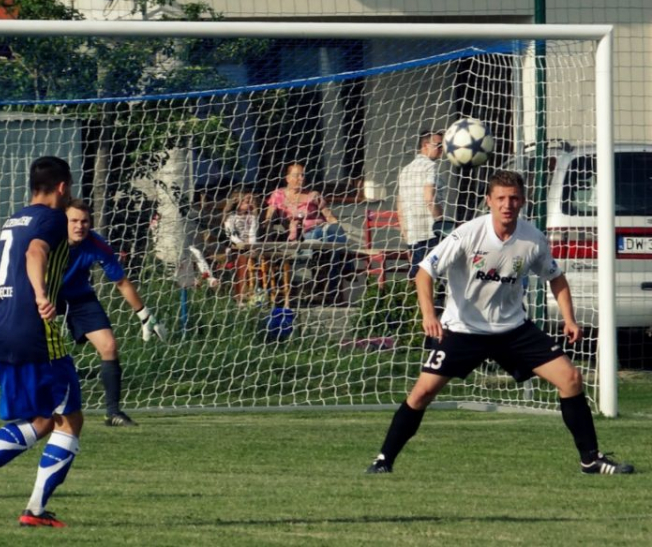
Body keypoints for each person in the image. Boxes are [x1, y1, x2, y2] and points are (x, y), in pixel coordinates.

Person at [366, 170, 633, 476]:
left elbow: (556, 277)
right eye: (501, 198)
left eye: (514, 198)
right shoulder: (467, 234)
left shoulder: (533, 239)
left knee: (571, 378)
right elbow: (424, 271)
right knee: (422, 393)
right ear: (489, 201)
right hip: (463, 330)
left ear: (523, 201)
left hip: (512, 330)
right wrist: (429, 315)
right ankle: (383, 460)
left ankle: (591, 459)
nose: (508, 204)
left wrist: (569, 319)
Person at [0, 156, 81, 528]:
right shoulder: (53, 218)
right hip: (37, 328)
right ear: (62, 187)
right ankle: (29, 507)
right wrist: (39, 294)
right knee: (68, 419)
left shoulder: (13, 220)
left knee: (41, 419)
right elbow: (35, 252)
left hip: (4, 326)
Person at [0, 199, 167, 428]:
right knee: (35, 349)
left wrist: (144, 315)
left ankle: (113, 412)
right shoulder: (41, 240)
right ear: (63, 221)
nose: (80, 226)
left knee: (109, 346)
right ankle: (34, 407)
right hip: (41, 297)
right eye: (74, 221)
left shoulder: (96, 243)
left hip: (79, 298)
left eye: (85, 221)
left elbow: (121, 282)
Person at [264, 163, 348, 304]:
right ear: (287, 178)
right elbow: (268, 217)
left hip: (321, 231)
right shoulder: (278, 195)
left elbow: (329, 216)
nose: (301, 178)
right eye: (297, 175)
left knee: (333, 237)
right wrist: (267, 225)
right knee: (329, 247)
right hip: (302, 234)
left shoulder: (313, 195)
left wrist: (339, 229)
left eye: (303, 175)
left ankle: (338, 274)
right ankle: (345, 268)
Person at [396, 130, 446, 278]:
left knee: (418, 276)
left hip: (413, 233)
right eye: (438, 145)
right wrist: (441, 222)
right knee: (434, 277)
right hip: (430, 232)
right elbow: (429, 197)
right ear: (425, 145)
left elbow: (400, 203)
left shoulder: (406, 170)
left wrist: (405, 230)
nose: (442, 150)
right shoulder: (430, 167)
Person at [223, 191, 260, 304]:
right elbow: (231, 235)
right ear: (237, 202)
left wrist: (251, 245)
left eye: (251, 202)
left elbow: (253, 233)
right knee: (241, 259)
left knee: (254, 257)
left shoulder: (252, 218)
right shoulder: (231, 217)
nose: (249, 204)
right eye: (246, 201)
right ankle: (240, 294)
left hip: (249, 245)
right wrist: (241, 244)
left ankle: (253, 293)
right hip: (235, 246)